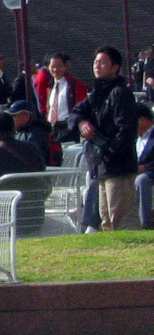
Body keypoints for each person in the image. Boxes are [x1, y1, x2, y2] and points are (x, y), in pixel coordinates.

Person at [73, 45, 139, 230]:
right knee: (107, 219)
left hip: (119, 165)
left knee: (122, 217)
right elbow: (77, 112)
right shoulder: (96, 94)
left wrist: (111, 151)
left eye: (102, 62)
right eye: (95, 62)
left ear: (115, 67)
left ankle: (132, 252)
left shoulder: (120, 93)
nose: (97, 65)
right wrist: (81, 123)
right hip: (102, 165)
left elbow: (126, 129)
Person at [0, 111, 46, 177]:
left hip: (0, 193)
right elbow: (42, 170)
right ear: (14, 129)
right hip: (32, 192)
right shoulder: (33, 149)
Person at [43, 52, 88, 147]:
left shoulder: (74, 84)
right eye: (53, 66)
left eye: (59, 66)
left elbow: (82, 106)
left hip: (68, 128)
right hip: (53, 129)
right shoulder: (50, 87)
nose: (56, 70)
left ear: (65, 67)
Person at [6, 99, 52, 166]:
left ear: (27, 116)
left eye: (14, 116)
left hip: (37, 174)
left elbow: (34, 159)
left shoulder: (36, 134)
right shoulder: (19, 132)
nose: (10, 119)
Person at [132, 105, 154, 230]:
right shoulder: (133, 137)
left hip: (149, 172)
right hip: (132, 171)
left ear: (143, 120)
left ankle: (145, 223)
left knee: (142, 180)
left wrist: (145, 168)